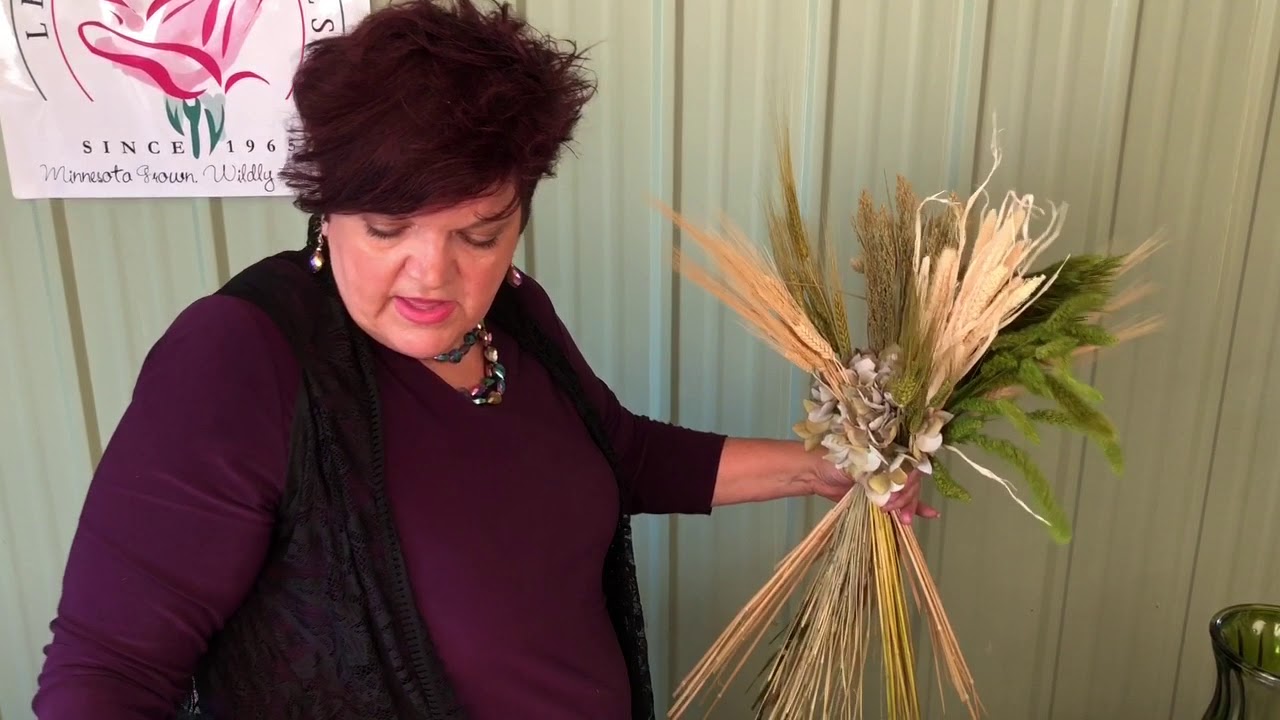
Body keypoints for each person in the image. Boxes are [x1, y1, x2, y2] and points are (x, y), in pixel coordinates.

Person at [31, 1, 936, 718]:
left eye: (479, 233)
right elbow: (107, 675)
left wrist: (828, 468)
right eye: (388, 229)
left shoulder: (515, 315)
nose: (433, 274)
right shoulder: (240, 358)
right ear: (326, 206)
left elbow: (615, 453)